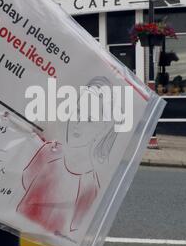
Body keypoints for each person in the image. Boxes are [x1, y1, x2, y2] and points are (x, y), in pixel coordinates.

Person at [17, 77, 118, 235]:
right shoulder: (48, 151)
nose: (78, 121)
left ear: (103, 129)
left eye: (89, 119)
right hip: (19, 231)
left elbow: (73, 232)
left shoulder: (89, 187)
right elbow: (23, 179)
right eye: (77, 111)